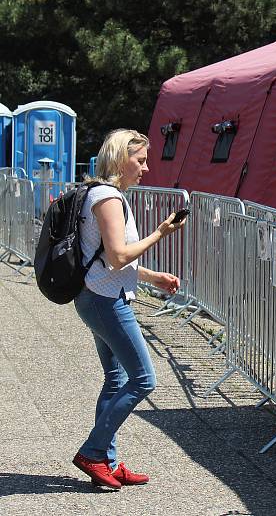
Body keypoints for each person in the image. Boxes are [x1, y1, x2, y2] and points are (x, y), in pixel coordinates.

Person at [71, 129, 186, 489]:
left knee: (117, 379)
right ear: (121, 159)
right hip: (104, 301)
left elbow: (109, 258)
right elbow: (119, 256)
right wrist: (161, 233)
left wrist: (152, 278)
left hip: (99, 295)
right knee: (144, 379)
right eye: (140, 160)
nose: (146, 169)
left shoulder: (103, 194)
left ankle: (107, 462)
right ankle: (93, 452)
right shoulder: (108, 198)